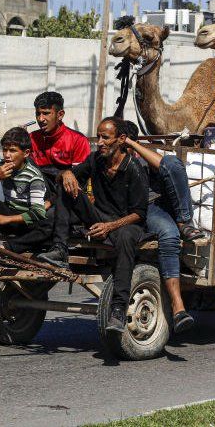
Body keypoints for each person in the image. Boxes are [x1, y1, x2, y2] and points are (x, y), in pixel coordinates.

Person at [40, 117, 147, 332]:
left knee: (126, 238)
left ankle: (118, 308)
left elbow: (139, 213)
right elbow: (68, 177)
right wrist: (66, 173)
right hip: (98, 217)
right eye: (98, 137)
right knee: (66, 186)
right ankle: (59, 249)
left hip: (125, 224)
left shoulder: (134, 168)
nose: (99, 142)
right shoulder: (95, 159)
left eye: (105, 138)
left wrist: (110, 227)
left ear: (121, 140)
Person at [119, 120, 203, 333]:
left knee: (173, 163)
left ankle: (184, 220)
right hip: (146, 209)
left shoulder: (143, 157)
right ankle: (178, 307)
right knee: (169, 234)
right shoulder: (108, 159)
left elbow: (167, 166)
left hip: (166, 203)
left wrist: (132, 144)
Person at [0, 127, 53, 252]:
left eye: (12, 151)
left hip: (24, 223)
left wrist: (5, 219)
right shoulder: (0, 165)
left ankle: (7, 248)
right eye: (5, 150)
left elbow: (38, 212)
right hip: (6, 219)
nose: (7, 155)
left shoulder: (34, 176)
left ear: (26, 153)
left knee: (47, 226)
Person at [29, 91, 91, 190]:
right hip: (37, 196)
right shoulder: (30, 138)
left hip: (66, 198)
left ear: (60, 115)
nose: (40, 119)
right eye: (38, 114)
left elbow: (79, 179)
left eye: (46, 113)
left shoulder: (78, 141)